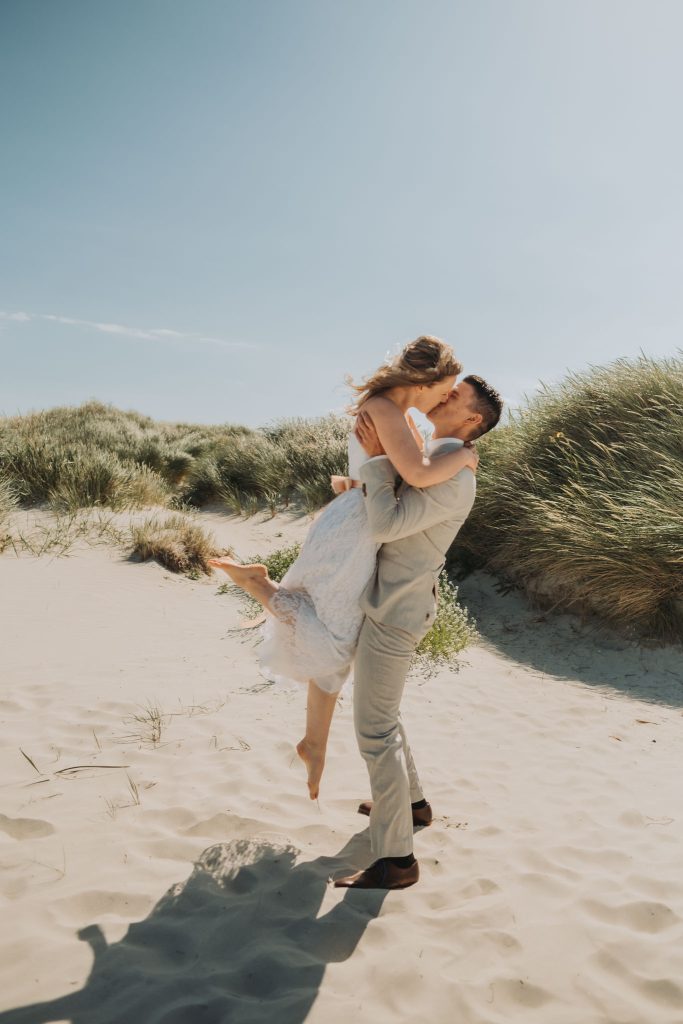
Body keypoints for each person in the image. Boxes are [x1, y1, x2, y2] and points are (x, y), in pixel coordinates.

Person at [209, 336, 478, 799]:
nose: (444, 398)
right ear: (426, 380)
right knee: (334, 642)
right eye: (445, 389)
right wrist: (465, 457)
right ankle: (261, 587)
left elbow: (387, 473)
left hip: (360, 522)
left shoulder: (396, 412)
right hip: (359, 529)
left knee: (338, 639)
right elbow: (412, 476)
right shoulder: (388, 409)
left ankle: (314, 746)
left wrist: (357, 478)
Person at [333, 375, 503, 890]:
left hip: (396, 611)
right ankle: (414, 805)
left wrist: (379, 458)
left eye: (455, 397)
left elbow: (388, 525)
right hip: (393, 602)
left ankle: (397, 860)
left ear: (473, 421)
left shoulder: (454, 474)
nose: (444, 396)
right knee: (384, 714)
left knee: (373, 730)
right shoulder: (433, 458)